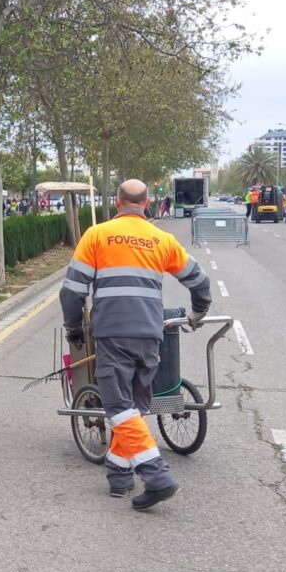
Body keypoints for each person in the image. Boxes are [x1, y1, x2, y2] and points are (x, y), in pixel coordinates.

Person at [59, 179, 212, 512]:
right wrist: (198, 313)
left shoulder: (97, 235)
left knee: (119, 409)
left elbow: (72, 291)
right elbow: (199, 280)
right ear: (146, 203)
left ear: (117, 202)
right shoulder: (162, 239)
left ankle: (157, 476)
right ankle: (119, 477)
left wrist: (74, 328)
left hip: (113, 335)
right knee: (133, 409)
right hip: (150, 336)